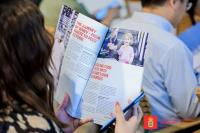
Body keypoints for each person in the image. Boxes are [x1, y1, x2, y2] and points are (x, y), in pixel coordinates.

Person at [0, 0, 143, 133]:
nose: (52, 38)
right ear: (31, 56)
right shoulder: (35, 124)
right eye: (43, 33)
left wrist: (60, 128)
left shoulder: (12, 108)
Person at [113, 0, 200, 129]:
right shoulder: (172, 46)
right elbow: (190, 111)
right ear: (174, 2)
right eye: (187, 4)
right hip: (166, 129)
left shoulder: (115, 31)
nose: (186, 11)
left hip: (121, 126)